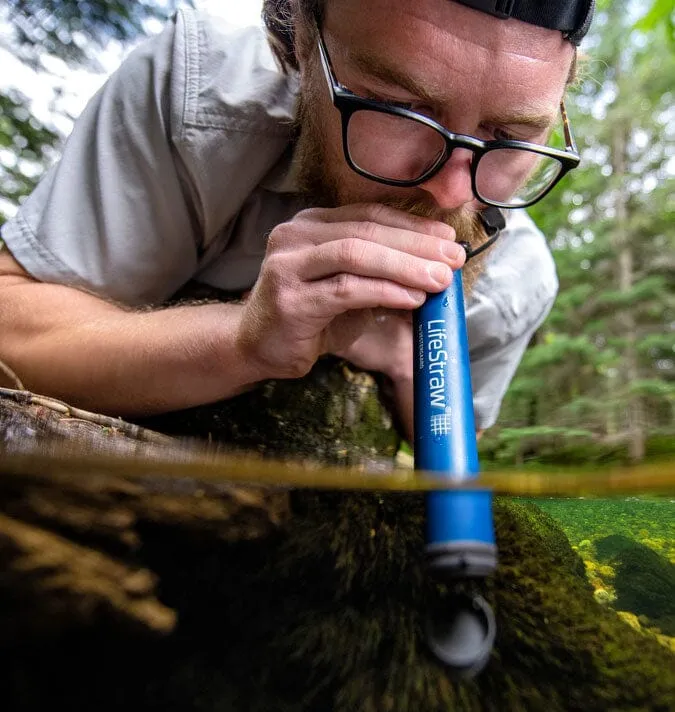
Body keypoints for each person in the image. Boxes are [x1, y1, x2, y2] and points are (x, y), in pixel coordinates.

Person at [0, 0, 593, 441]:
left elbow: (451, 450)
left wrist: (416, 369)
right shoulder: (199, 98)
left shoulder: (518, 280)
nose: (448, 193)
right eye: (399, 109)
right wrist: (241, 340)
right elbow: (12, 322)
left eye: (512, 135)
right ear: (298, 39)